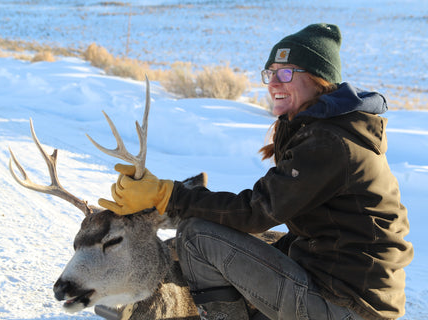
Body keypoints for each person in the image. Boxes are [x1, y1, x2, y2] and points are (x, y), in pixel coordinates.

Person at [99, 23, 413, 320]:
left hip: (347, 306)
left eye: (286, 73)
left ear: (319, 80)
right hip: (343, 295)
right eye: (270, 73)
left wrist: (168, 196)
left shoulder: (329, 143)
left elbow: (255, 212)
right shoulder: (326, 131)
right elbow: (304, 233)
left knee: (197, 235)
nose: (274, 83)